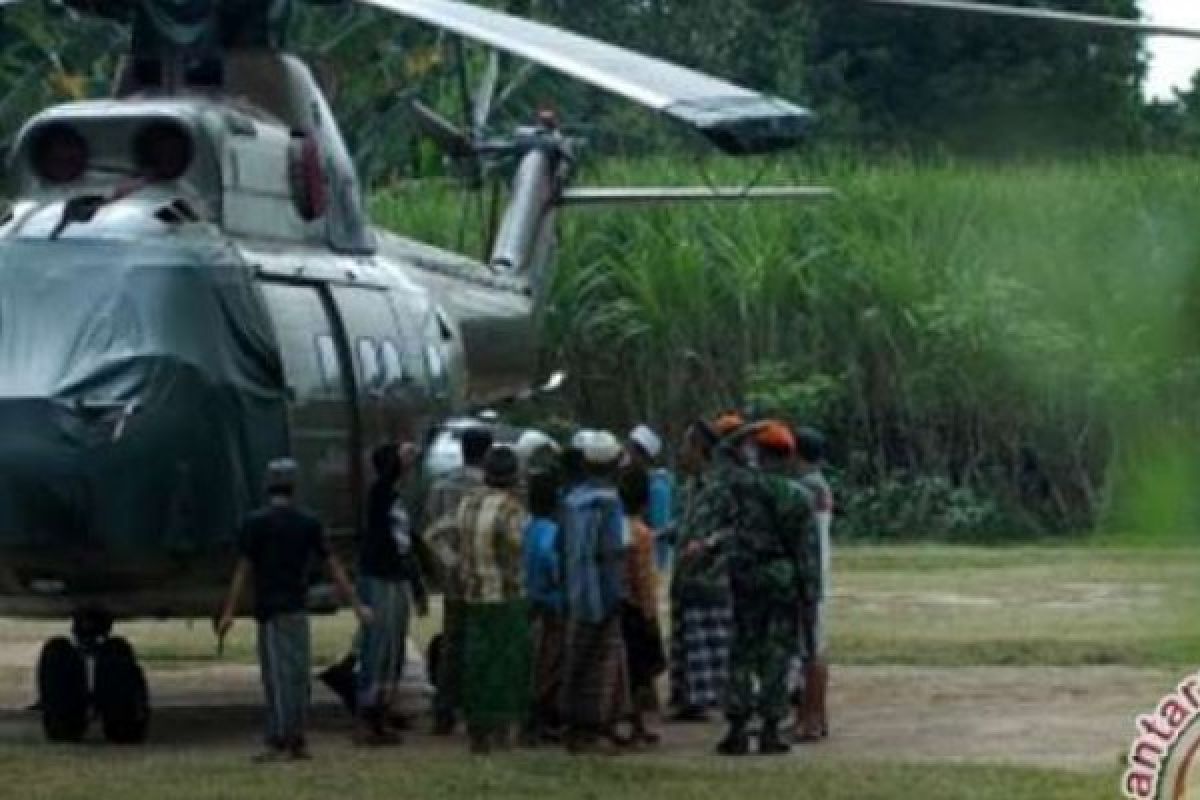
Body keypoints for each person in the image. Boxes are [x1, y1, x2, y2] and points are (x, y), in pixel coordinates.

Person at [216, 458, 370, 762]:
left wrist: (228, 612)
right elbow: (334, 567)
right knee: (297, 674)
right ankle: (295, 736)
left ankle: (282, 738)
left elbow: (243, 571)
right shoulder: (308, 522)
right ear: (295, 487)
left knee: (276, 676)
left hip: (270, 611)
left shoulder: (255, 523)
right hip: (298, 608)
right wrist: (356, 605)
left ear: (267, 485)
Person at [713, 422, 820, 757]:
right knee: (777, 653)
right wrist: (810, 596)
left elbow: (721, 453)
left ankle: (737, 729)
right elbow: (807, 553)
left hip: (745, 576)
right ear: (788, 456)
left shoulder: (743, 484)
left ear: (758, 452)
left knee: (742, 650)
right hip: (781, 579)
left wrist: (749, 429)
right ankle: (771, 730)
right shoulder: (798, 497)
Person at [667, 414, 741, 723]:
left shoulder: (723, 484)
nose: (681, 453)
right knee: (688, 638)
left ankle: (712, 698)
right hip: (687, 575)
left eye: (686, 446)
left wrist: (709, 544)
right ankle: (689, 698)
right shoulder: (691, 486)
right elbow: (688, 524)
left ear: (701, 449)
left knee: (711, 639)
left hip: (711, 576)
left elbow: (737, 526)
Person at [559, 430, 630, 754]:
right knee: (602, 663)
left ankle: (573, 727)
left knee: (576, 659)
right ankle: (595, 729)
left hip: (575, 591)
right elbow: (612, 552)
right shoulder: (610, 502)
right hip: (602, 591)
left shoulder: (571, 500)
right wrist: (616, 592)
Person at [353, 442, 428, 746]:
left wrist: (416, 584)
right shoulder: (381, 493)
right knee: (380, 645)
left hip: (393, 577)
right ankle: (370, 713)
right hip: (381, 577)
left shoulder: (393, 497)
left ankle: (381, 708)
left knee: (392, 644)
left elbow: (406, 546)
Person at [457, 445, 531, 754]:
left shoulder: (467, 503)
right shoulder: (511, 509)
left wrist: (459, 567)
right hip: (506, 597)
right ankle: (502, 733)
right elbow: (517, 548)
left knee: (478, 663)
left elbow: (436, 534)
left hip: (473, 596)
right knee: (507, 665)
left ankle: (477, 730)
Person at [421, 425, 493, 735]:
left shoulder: (441, 486)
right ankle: (478, 710)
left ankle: (444, 710)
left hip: (452, 577)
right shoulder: (490, 490)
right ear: (487, 453)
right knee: (483, 643)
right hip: (484, 576)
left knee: (453, 643)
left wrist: (448, 565)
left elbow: (429, 530)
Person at [790, 426, 833, 742]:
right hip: (817, 576)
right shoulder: (817, 484)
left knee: (810, 651)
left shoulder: (806, 487)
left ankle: (810, 718)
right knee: (813, 649)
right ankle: (814, 717)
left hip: (808, 577)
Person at [618, 466, 666, 746]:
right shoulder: (642, 534)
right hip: (636, 609)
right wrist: (650, 613)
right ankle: (637, 724)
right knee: (640, 671)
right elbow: (644, 578)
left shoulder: (615, 526)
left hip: (617, 605)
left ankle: (627, 721)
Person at [522, 468, 566, 745]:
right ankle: (543, 720)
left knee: (535, 663)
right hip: (551, 605)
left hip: (529, 602)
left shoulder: (527, 528)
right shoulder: (552, 533)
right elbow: (554, 567)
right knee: (551, 665)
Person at [626, 424, 674, 569]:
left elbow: (660, 529)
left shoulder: (657, 487)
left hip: (651, 561)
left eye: (630, 449)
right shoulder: (635, 481)